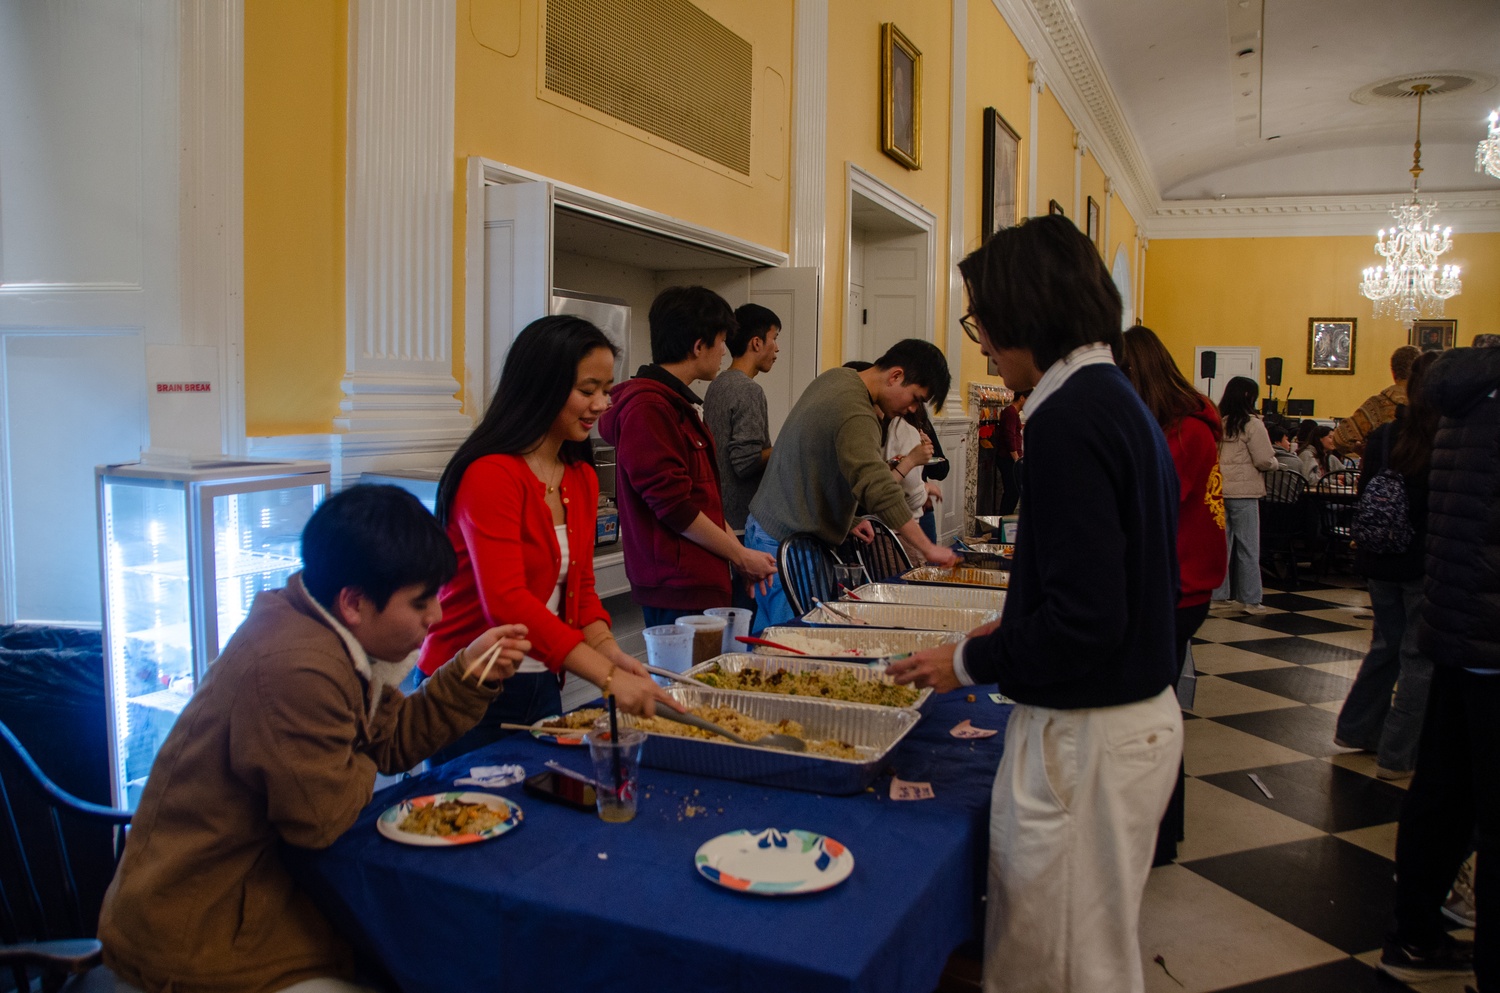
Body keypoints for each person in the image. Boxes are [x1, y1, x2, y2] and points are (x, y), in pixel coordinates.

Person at [889, 215, 1182, 993]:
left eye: (980, 316)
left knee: (1054, 969)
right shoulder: (1112, 397)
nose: (979, 338)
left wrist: (966, 659)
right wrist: (1012, 625)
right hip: (1124, 722)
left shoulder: (1069, 415)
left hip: (1089, 733)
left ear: (1025, 311)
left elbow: (1087, 619)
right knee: (1089, 956)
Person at [98, 485, 531, 993]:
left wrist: (468, 673)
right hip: (197, 933)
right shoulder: (296, 668)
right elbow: (321, 820)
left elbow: (389, 745)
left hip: (261, 893)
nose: (435, 616)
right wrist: (362, 748)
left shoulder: (322, 628)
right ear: (353, 602)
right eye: (420, 601)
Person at [419, 316, 677, 762]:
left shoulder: (579, 476)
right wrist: (607, 678)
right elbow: (508, 602)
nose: (602, 404)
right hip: (469, 686)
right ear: (541, 385)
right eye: (587, 389)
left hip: (540, 680)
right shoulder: (491, 474)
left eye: (607, 389)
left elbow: (581, 594)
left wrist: (611, 654)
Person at [1379, 342, 1500, 987]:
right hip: (1487, 634)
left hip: (1457, 624)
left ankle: (1416, 933)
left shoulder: (1464, 396)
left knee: (1442, 796)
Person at [745, 339, 958, 630]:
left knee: (775, 638)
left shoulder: (838, 377)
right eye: (916, 398)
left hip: (774, 529)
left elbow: (817, 464)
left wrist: (848, 518)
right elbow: (876, 484)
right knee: (788, 643)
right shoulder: (858, 410)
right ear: (895, 375)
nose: (912, 409)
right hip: (784, 540)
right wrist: (927, 548)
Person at [598, 287, 777, 627]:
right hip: (678, 584)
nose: (725, 351)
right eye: (721, 341)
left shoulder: (676, 403)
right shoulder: (649, 407)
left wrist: (739, 559)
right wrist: (739, 554)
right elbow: (674, 506)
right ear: (698, 346)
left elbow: (703, 501)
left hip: (701, 577)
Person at [1118, 324, 1228, 865]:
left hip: (1177, 589)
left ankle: (1158, 837)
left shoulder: (1184, 433)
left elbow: (1145, 508)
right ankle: (1158, 833)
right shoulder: (1187, 422)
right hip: (1183, 584)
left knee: (1150, 715)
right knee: (1154, 710)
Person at [1335, 351, 1439, 780]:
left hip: (1378, 555)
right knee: (1417, 658)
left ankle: (1357, 728)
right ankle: (1397, 755)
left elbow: (1364, 490)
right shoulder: (1441, 435)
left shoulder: (1381, 434)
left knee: (1385, 646)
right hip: (1418, 558)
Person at [703, 302, 781, 532]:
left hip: (720, 513)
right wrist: (787, 445)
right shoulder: (748, 389)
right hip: (740, 522)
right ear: (756, 342)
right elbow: (745, 462)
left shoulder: (718, 383)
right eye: (774, 338)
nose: (777, 348)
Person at [1212, 376, 1277, 613]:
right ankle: (1250, 600)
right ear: (1250, 396)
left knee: (1221, 547)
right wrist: (1275, 464)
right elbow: (1263, 459)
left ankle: (1218, 595)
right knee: (1248, 547)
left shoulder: (1219, 422)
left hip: (1220, 491)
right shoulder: (1252, 424)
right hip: (1245, 493)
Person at [1332, 344, 1422, 457]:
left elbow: (1341, 438)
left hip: (1382, 469)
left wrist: (1365, 452)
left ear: (1393, 373)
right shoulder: (1427, 403)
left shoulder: (1376, 405)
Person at [996, 389, 1028, 514]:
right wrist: (1016, 459)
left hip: (1011, 459)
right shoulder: (1010, 413)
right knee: (1012, 492)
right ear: (1021, 398)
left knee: (1013, 492)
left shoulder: (1014, 413)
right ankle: (1003, 521)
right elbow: (1009, 436)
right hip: (1008, 459)